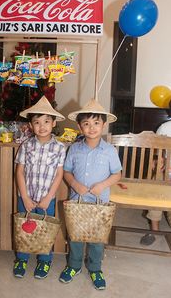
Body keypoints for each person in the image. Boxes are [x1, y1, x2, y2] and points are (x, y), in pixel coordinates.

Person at [59, 99, 122, 290]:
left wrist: (102, 185)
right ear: (79, 127)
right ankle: (74, 265)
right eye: (86, 124)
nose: (91, 127)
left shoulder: (110, 150)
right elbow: (66, 171)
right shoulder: (74, 149)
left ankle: (95, 268)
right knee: (76, 235)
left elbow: (117, 174)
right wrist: (74, 184)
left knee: (97, 237)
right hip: (77, 200)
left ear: (104, 125)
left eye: (96, 123)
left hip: (99, 202)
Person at [13, 96, 66, 279]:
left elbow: (59, 174)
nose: (41, 126)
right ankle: (22, 258)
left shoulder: (59, 147)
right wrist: (25, 197)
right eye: (37, 122)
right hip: (26, 196)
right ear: (30, 124)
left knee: (45, 229)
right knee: (24, 228)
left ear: (53, 123)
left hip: (47, 198)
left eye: (46, 121)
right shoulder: (26, 145)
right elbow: (19, 172)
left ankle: (45, 260)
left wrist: (48, 197)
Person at [140, 104, 171, 246]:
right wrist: (157, 159)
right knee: (156, 185)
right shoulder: (165, 128)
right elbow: (156, 151)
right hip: (165, 172)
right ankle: (154, 230)